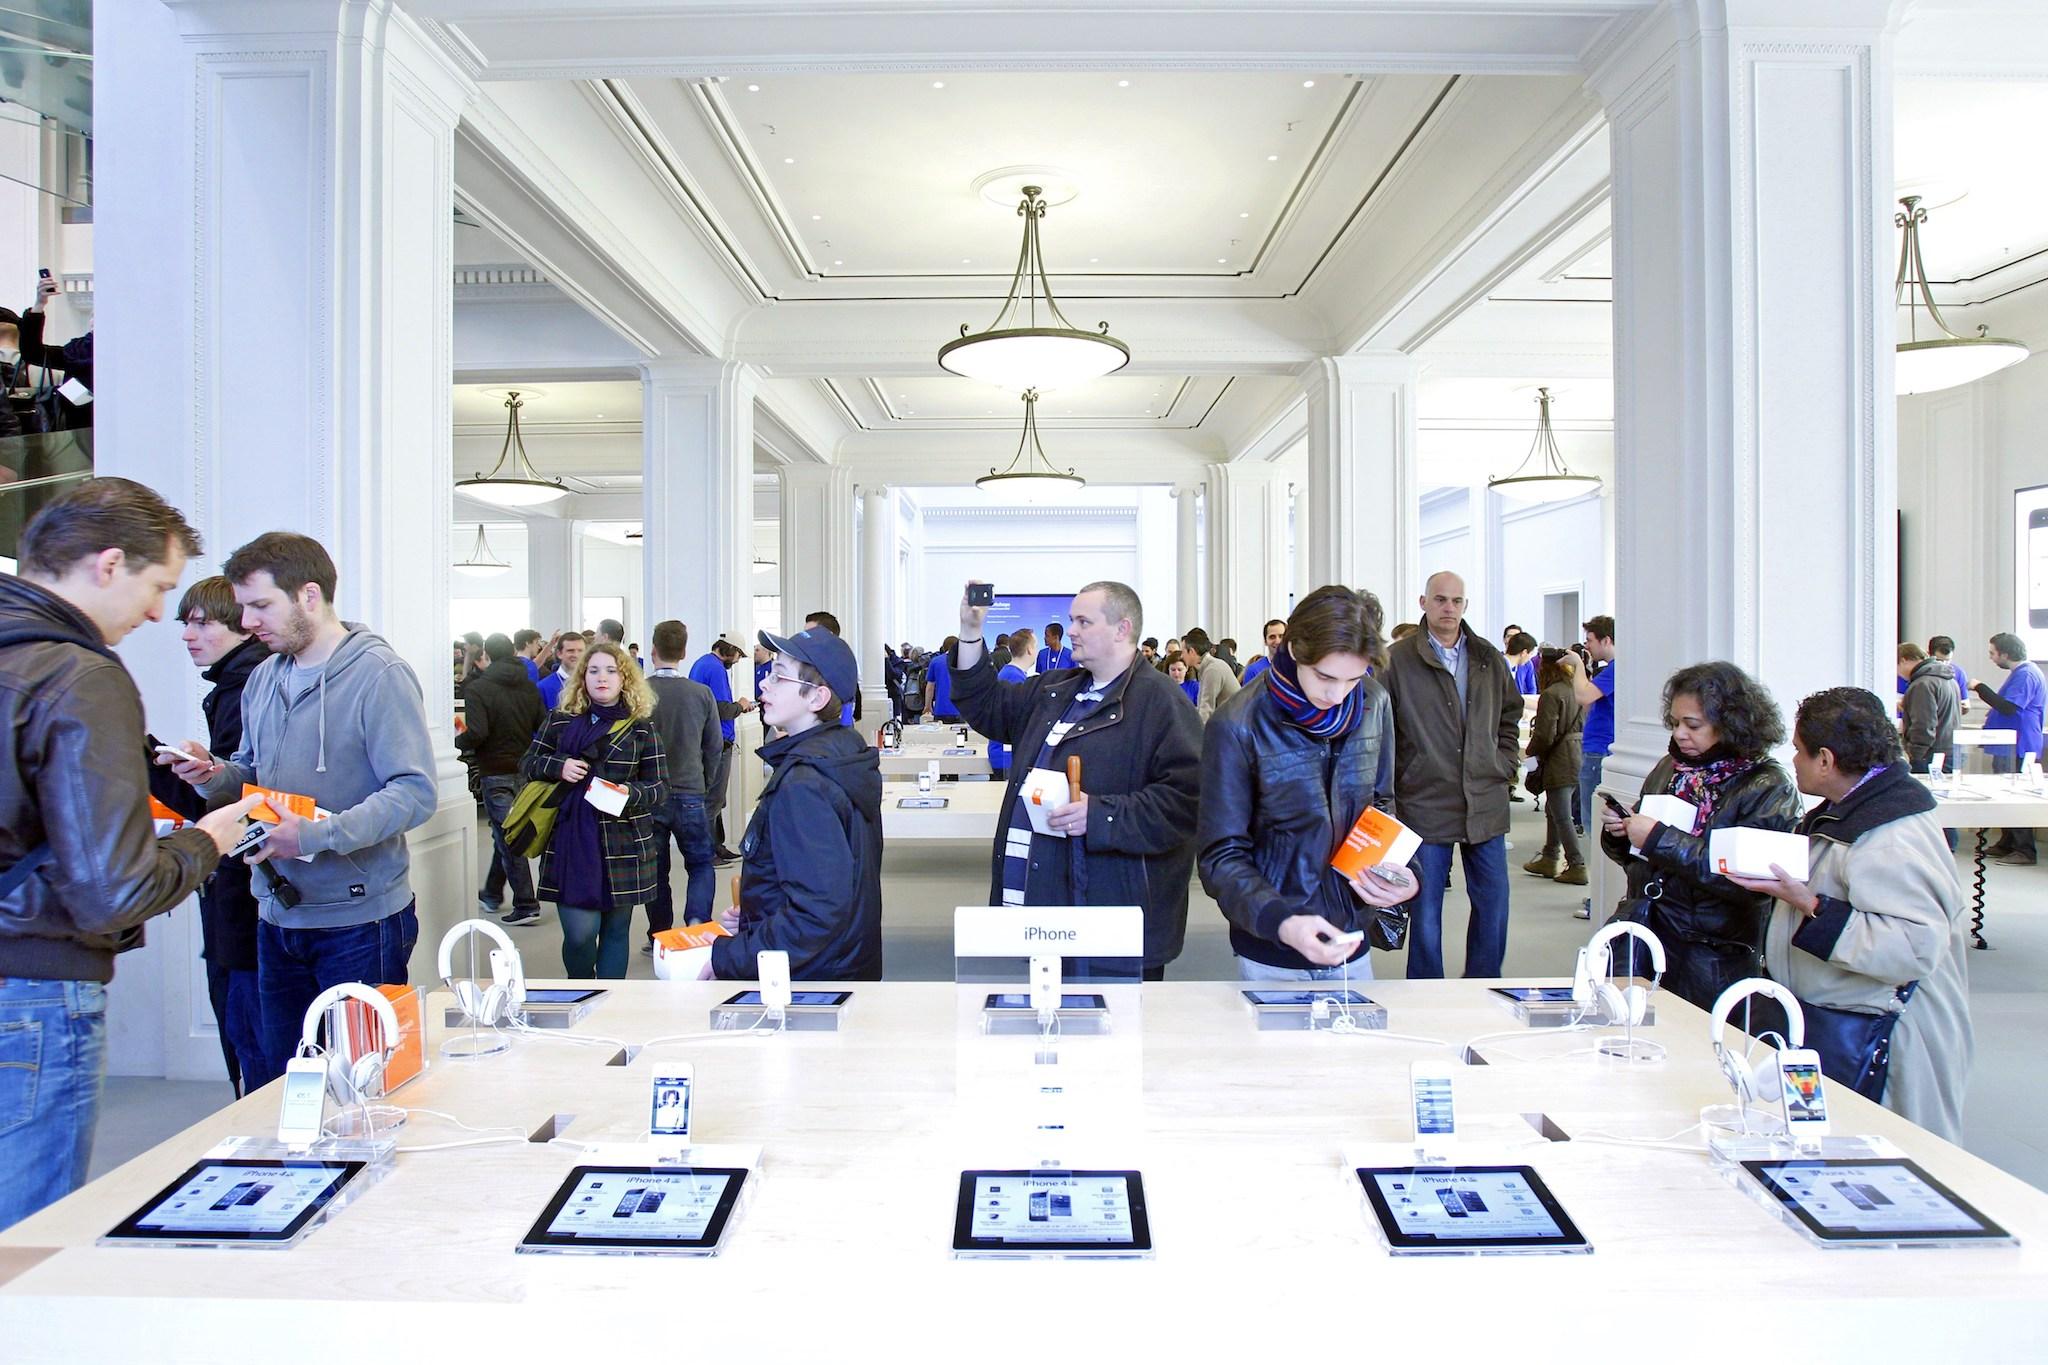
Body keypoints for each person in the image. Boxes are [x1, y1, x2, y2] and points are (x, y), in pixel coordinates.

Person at [0, 480, 261, 1231]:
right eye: (158, 588)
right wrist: (203, 840)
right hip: (34, 983)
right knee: (26, 1240)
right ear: (109, 564)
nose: (156, 613)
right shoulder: (78, 674)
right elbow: (112, 889)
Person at [170, 531, 439, 1076]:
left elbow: (414, 793)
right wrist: (213, 775)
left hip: (359, 923)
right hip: (276, 916)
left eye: (260, 606)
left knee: (365, 1080)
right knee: (286, 1082)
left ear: (309, 596)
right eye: (244, 608)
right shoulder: (264, 678)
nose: (247, 623)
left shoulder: (379, 675)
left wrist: (315, 836)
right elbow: (252, 774)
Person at [1723, 688, 1972, 1142]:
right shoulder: (1850, 811)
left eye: (1798, 751)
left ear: (1825, 759)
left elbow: (1912, 948)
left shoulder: (1892, 835)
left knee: (1884, 1155)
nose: (1791, 761)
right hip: (1837, 1019)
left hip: (1882, 1039)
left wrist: (1810, 905)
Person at [950, 579, 1202, 980]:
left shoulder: (1161, 704)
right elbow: (986, 705)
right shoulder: (1057, 689)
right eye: (1071, 621)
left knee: (1110, 1036)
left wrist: (1099, 815)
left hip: (1107, 925)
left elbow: (1187, 803)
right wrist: (970, 631)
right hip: (1043, 913)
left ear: (1122, 628)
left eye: (1084, 621)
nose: (1072, 631)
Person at [1199, 586, 1417, 980]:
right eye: (1325, 676)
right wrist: (1282, 921)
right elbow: (1221, 853)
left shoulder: (1374, 702)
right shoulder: (1236, 725)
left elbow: (1381, 805)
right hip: (1273, 946)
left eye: (1353, 678)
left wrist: (1404, 870)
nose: (1337, 694)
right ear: (1295, 649)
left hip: (1352, 935)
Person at [1597, 660, 1803, 1009]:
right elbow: (1639, 863)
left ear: (1730, 725)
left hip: (1711, 952)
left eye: (1692, 725)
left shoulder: (1768, 786)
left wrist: (1658, 838)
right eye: (1675, 722)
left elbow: (1746, 882)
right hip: (1649, 933)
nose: (1679, 733)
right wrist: (1622, 832)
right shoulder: (1671, 768)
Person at [147, 576, 272, 1095]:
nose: (187, 634)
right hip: (245, 885)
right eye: (187, 622)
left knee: (250, 1030)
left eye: (202, 622)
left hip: (247, 887)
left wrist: (145, 760)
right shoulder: (239, 685)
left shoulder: (245, 688)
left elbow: (238, 805)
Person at [709, 627, 883, 981]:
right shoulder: (841, 753)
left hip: (810, 979)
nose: (764, 684)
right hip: (844, 963)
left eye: (778, 676)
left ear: (816, 698)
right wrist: (755, 913)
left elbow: (816, 914)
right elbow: (825, 882)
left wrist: (727, 957)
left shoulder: (805, 783)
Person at [1379, 571, 1521, 979]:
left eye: (1456, 601)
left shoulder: (1487, 657)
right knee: (1425, 908)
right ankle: (1426, 989)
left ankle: (1483, 983)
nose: (1448, 608)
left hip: (1485, 798)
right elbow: (1379, 727)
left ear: (1465, 606)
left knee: (1493, 903)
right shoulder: (1397, 660)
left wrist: (1504, 761)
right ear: (1423, 602)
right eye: (1440, 600)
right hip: (1424, 800)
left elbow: (1509, 715)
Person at [521, 643, 666, 978]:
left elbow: (660, 787)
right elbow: (528, 764)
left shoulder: (642, 728)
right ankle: (581, 988)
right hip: (569, 840)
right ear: (582, 677)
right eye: (594, 670)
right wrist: (558, 765)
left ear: (625, 679)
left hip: (624, 843)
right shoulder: (559, 722)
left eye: (611, 671)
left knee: (616, 932)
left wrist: (629, 792)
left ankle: (611, 1004)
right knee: (580, 934)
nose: (602, 678)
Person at [456, 633, 548, 927]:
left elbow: (478, 732)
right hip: (524, 770)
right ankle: (493, 893)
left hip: (494, 771)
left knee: (508, 837)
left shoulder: (479, 689)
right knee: (506, 832)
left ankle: (526, 903)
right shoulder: (530, 688)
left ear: (488, 655)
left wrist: (457, 741)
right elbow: (542, 726)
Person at [644, 620, 722, 939]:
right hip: (691, 790)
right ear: (684, 652)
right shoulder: (701, 694)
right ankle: (696, 924)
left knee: (656, 869)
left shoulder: (639, 694)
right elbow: (714, 745)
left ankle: (660, 931)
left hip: (650, 794)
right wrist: (706, 780)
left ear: (653, 651)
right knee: (701, 863)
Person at [1974, 632, 2044, 866]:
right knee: (2003, 793)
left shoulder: (2025, 674)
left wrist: (1979, 687)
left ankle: (2024, 850)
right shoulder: (2022, 673)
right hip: (2010, 744)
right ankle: (2008, 842)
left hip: (2018, 744)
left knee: (2015, 795)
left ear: (2005, 654)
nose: (1992, 658)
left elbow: (2008, 707)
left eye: (1993, 653)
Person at [1523, 648, 1587, 887]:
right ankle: (1549, 856)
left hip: (1560, 757)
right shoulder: (1576, 689)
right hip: (1578, 753)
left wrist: (1531, 754)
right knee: (1554, 809)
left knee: (1561, 815)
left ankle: (1577, 864)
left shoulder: (1552, 694)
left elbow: (1545, 734)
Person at [690, 635, 756, 863]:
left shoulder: (703, 664)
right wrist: (741, 705)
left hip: (707, 741)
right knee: (713, 800)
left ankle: (716, 847)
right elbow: (722, 709)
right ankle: (707, 852)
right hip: (716, 743)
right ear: (731, 650)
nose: (737, 660)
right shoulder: (715, 669)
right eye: (738, 654)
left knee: (713, 799)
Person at [1572, 614, 1617, 908]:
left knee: (1592, 825)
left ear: (1606, 640)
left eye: (1589, 641)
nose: (1587, 646)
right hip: (1599, 750)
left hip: (1598, 752)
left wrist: (1577, 665)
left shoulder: (1616, 669)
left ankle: (1599, 898)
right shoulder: (1613, 669)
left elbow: (1583, 696)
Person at [1897, 642, 1959, 773]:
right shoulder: (1950, 680)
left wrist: (1915, 754)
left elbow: (1923, 724)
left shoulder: (1922, 684)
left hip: (1929, 755)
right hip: (1949, 751)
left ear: (1903, 660)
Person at [989, 632, 1035, 776]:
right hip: (1008, 756)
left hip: (1008, 754)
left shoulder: (1012, 674)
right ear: (1029, 650)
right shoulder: (1014, 678)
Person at [804, 609, 858, 726]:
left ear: (829, 635)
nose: (806, 638)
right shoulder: (813, 659)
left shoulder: (839, 662)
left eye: (811, 633)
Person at [1181, 628, 1241, 722]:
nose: (1181, 656)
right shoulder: (1207, 667)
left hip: (1232, 727)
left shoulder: (1212, 669)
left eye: (1183, 652)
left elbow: (1206, 711)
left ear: (1191, 652)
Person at [538, 631, 584, 711]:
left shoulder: (591, 683)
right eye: (570, 650)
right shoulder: (543, 687)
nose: (576, 655)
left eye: (580, 651)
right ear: (559, 654)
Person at [1240, 618, 1287, 687]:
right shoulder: (1253, 671)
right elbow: (1248, 697)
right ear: (1265, 641)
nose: (1277, 641)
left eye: (1281, 636)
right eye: (1272, 637)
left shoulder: (1298, 668)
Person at [926, 635, 961, 722]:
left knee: (942, 735)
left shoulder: (935, 661)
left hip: (941, 710)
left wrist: (928, 706)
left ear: (944, 647)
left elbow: (930, 687)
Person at [1506, 630, 1539, 695]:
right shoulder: (1501, 666)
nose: (1530, 658)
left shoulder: (1513, 667)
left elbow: (1532, 688)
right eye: (1530, 654)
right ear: (1524, 652)